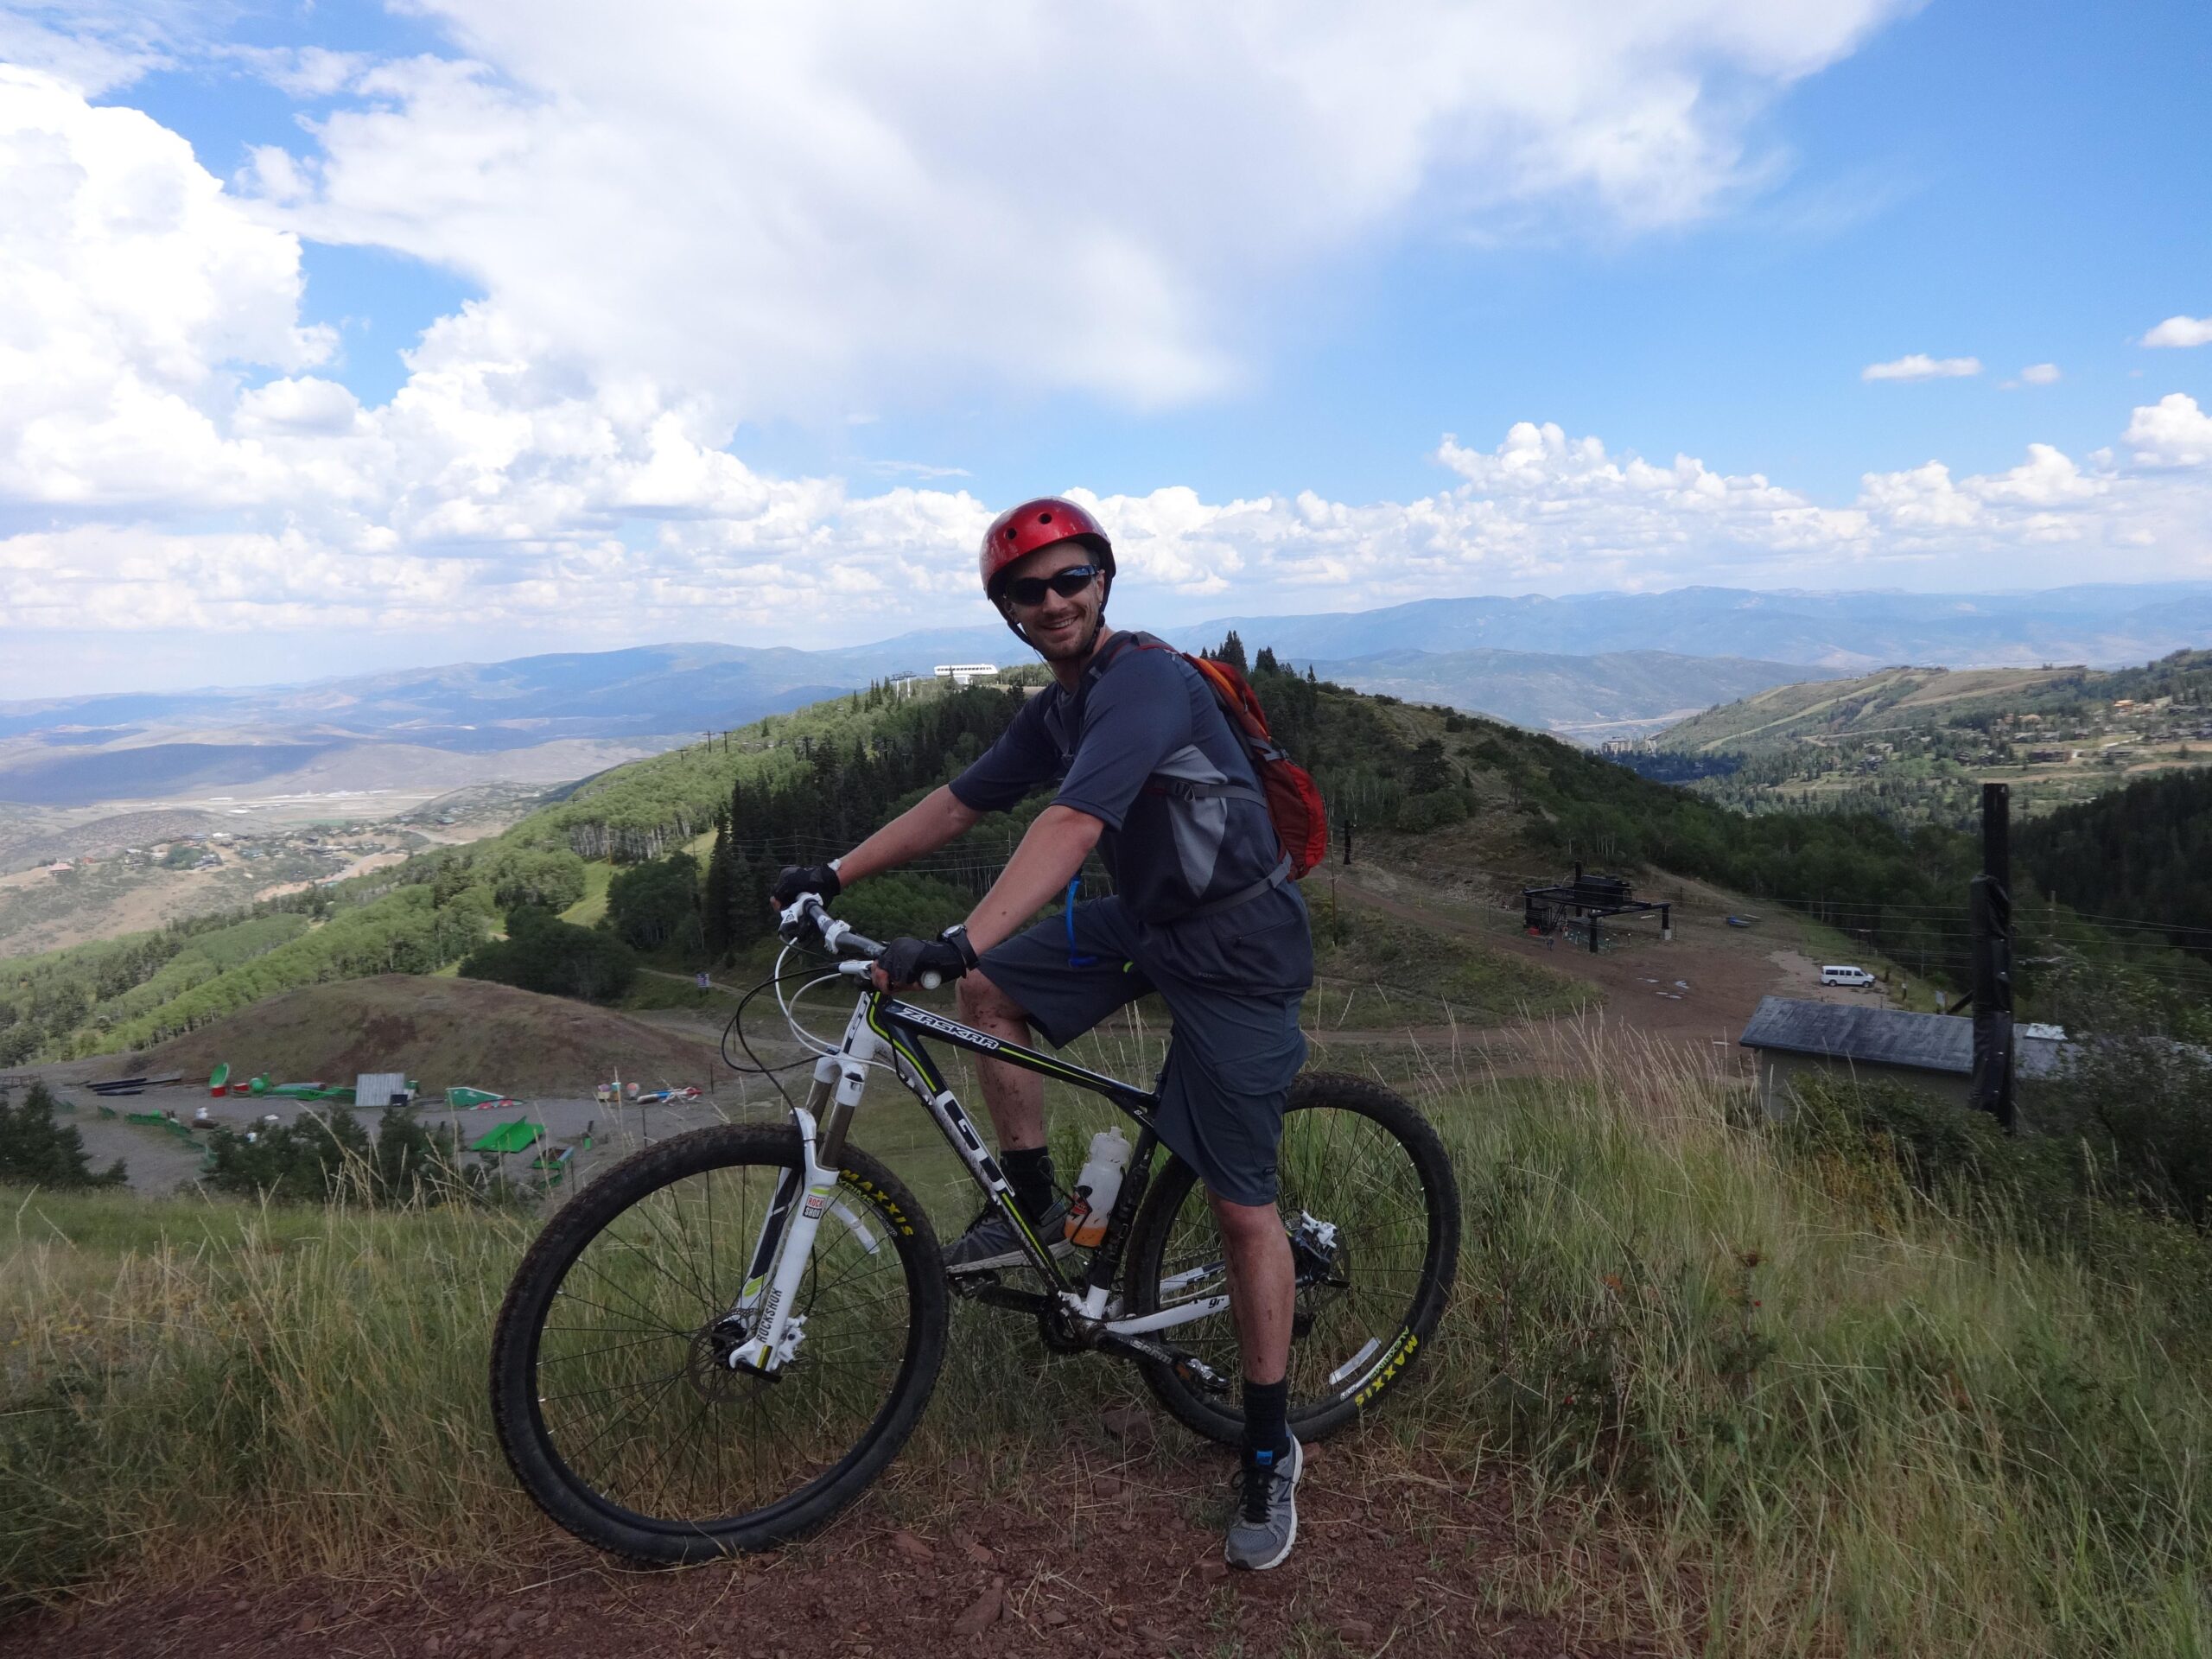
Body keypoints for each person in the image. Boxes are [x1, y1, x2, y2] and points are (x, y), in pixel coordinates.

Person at [772, 496, 1314, 1571]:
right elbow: (960, 802)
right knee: (991, 1001)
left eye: (1072, 579)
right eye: (1030, 589)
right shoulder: (1058, 705)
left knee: (1241, 1207)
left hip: (1240, 945)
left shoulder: (1147, 682)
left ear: (1103, 582)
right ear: (1006, 610)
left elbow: (1071, 824)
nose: (1054, 600)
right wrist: (834, 872)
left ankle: (1266, 1445)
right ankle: (1028, 1199)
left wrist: (962, 937)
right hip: (1152, 924)